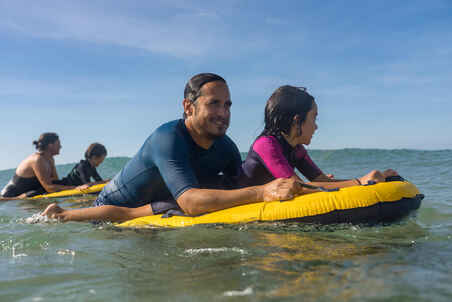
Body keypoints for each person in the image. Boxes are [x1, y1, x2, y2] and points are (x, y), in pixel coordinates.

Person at [42, 73, 302, 222]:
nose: (223, 112)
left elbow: (238, 185)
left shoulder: (226, 147)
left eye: (228, 105)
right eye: (214, 103)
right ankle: (63, 214)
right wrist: (261, 193)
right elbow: (189, 202)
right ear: (188, 107)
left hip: (161, 202)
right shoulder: (168, 138)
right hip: (114, 207)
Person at [240, 85, 398, 191]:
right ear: (297, 121)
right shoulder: (266, 144)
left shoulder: (297, 150)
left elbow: (324, 182)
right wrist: (360, 182)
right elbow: (298, 187)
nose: (316, 127)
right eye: (314, 118)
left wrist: (371, 180)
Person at [1, 133, 87, 199]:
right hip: (10, 197)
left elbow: (55, 181)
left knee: (61, 183)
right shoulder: (37, 160)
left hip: (29, 192)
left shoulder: (50, 159)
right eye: (58, 144)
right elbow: (49, 188)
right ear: (50, 145)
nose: (60, 146)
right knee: (42, 191)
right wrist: (75, 188)